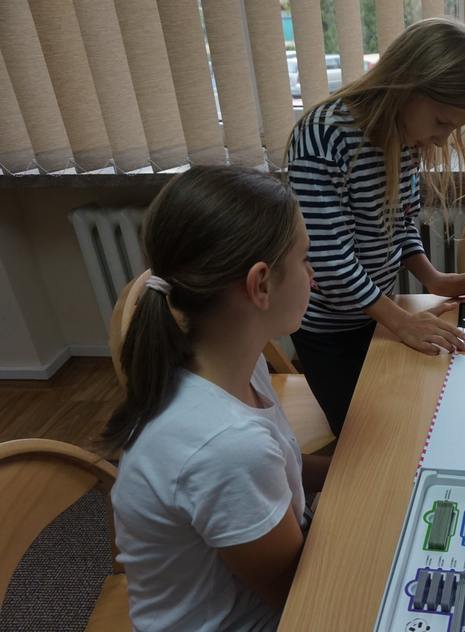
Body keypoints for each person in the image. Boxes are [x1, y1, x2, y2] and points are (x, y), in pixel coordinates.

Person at [103, 166, 327, 631]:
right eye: (305, 259)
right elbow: (299, 596)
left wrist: (370, 472)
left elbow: (282, 461)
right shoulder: (227, 445)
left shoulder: (229, 364)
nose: (313, 277)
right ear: (260, 284)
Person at [285, 18, 465, 436]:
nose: (441, 140)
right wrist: (400, 320)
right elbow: (330, 261)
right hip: (329, 331)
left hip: (377, 314)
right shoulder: (323, 138)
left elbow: (400, 222)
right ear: (407, 87)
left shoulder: (404, 138)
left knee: (409, 421)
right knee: (364, 438)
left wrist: (432, 278)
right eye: (441, 122)